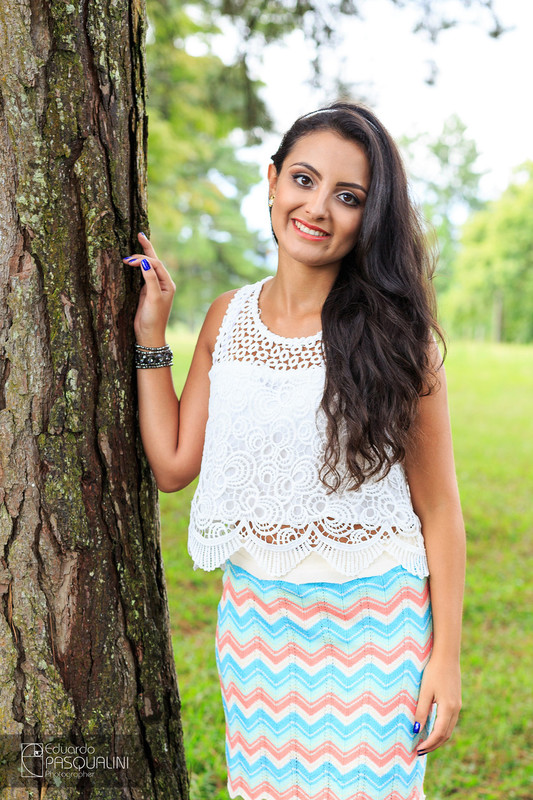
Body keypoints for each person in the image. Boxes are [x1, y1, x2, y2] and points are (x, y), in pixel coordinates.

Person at [123, 101, 466, 800]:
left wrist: (446, 660)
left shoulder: (400, 339)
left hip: (376, 625)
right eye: (303, 181)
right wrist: (149, 334)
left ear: (369, 217)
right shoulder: (229, 317)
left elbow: (439, 511)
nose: (317, 208)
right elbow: (172, 465)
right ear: (272, 180)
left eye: (348, 197)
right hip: (257, 623)